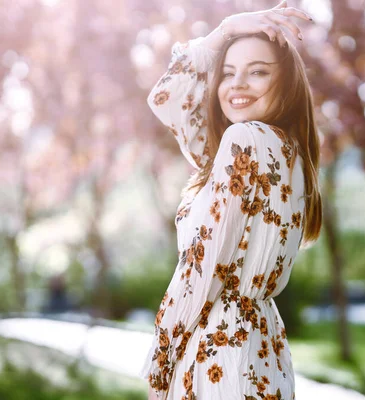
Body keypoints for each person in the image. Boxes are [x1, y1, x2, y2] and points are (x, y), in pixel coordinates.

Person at [139, 1, 322, 399]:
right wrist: (226, 30)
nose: (237, 84)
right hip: (261, 348)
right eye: (227, 73)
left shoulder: (245, 142)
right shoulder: (286, 151)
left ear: (286, 83)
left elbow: (201, 268)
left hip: (217, 350)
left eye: (257, 72)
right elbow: (169, 100)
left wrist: (161, 360)